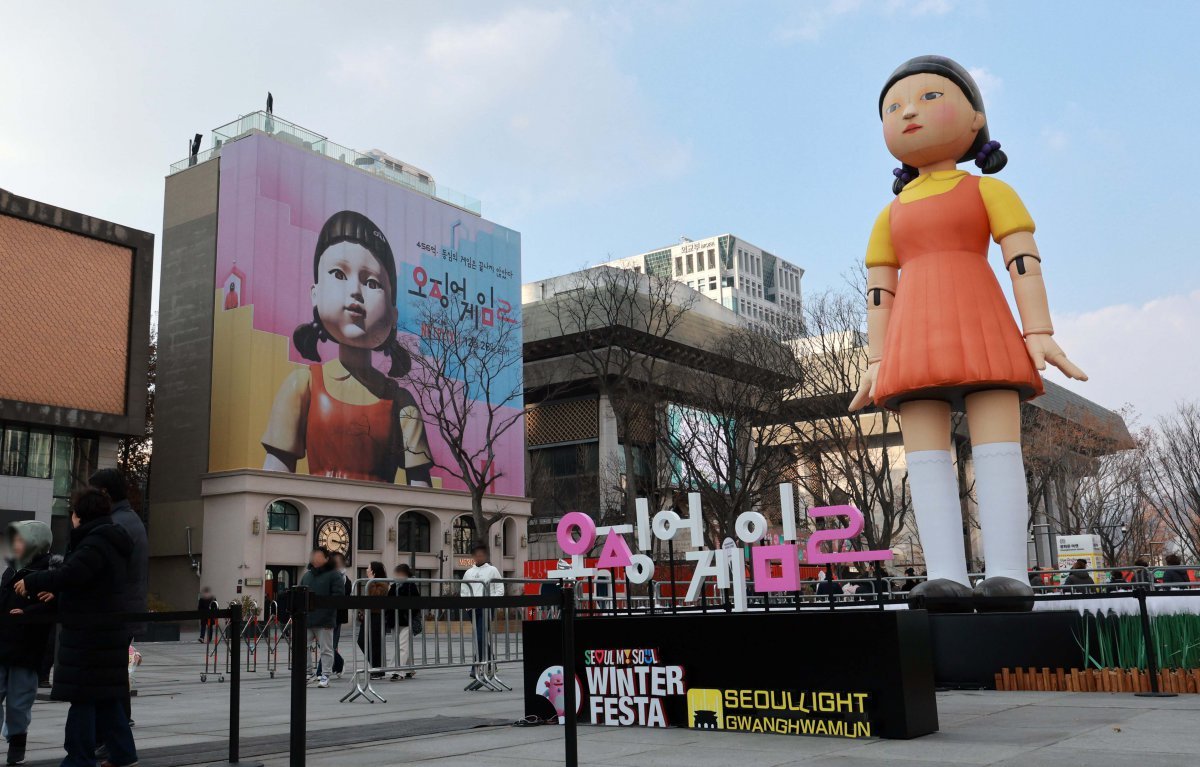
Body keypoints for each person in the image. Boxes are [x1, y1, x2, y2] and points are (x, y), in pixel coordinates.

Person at [849, 56, 1086, 604]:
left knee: (998, 446)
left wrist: (1038, 331)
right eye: (893, 107)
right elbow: (879, 294)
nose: (908, 111)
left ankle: (1009, 573)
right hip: (913, 337)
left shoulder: (988, 191)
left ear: (976, 118)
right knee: (926, 457)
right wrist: (877, 360)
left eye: (929, 98)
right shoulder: (889, 215)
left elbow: (1023, 260)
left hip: (980, 319)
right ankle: (946, 577)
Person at [261, 210, 434, 485]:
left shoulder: (402, 402)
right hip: (314, 516)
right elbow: (275, 473)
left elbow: (421, 487)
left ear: (392, 315)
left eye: (372, 283)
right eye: (339, 274)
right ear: (315, 293)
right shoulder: (302, 385)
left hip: (382, 520)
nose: (355, 291)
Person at [15, 489, 136, 767]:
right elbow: (91, 581)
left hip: (89, 633)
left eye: (72, 512)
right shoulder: (112, 539)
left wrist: (34, 582)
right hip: (106, 629)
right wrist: (59, 593)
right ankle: (123, 754)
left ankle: (78, 758)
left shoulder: (95, 542)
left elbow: (73, 574)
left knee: (82, 697)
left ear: (80, 515)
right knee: (106, 698)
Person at [88, 469, 147, 729]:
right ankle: (119, 730)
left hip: (115, 611)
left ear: (104, 493)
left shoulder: (117, 524)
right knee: (114, 675)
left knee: (108, 675)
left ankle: (115, 734)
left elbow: (104, 569)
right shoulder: (127, 519)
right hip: (126, 609)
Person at [1, 521, 55, 766]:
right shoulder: (10, 570)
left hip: (26, 647)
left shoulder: (47, 573)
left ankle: (17, 741)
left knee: (19, 700)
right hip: (3, 642)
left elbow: (50, 606)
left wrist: (29, 613)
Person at [299, 547, 340, 688]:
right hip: (307, 619)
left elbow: (337, 597)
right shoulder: (307, 575)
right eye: (314, 556)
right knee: (303, 647)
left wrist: (330, 618)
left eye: (319, 556)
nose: (315, 558)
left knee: (326, 649)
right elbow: (300, 593)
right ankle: (308, 673)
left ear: (327, 558)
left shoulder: (334, 575)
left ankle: (325, 675)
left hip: (325, 620)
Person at [461, 544, 503, 680]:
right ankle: (491, 664)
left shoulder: (492, 570)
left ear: (485, 556)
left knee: (480, 636)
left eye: (481, 555)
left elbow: (499, 588)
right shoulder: (468, 572)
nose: (479, 557)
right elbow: (464, 590)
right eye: (476, 555)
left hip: (487, 607)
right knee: (481, 637)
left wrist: (492, 602)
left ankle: (476, 666)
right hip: (473, 608)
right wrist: (467, 605)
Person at [388, 564, 422, 681]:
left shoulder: (410, 586)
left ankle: (398, 671)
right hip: (395, 621)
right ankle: (409, 669)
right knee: (402, 646)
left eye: (400, 573)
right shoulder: (393, 587)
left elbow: (416, 604)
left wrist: (408, 615)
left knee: (402, 646)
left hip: (406, 621)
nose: (398, 575)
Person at [356, 562, 388, 679]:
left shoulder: (382, 583)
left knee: (375, 643)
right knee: (362, 641)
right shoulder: (372, 583)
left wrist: (371, 581)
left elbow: (375, 596)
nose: (367, 569)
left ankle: (378, 669)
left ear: (374, 570)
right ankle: (376, 667)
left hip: (377, 616)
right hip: (369, 615)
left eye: (369, 567)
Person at [330, 552, 350, 677]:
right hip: (327, 614)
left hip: (337, 615)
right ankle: (338, 663)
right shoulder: (329, 575)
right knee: (326, 644)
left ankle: (323, 671)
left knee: (331, 644)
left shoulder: (345, 579)